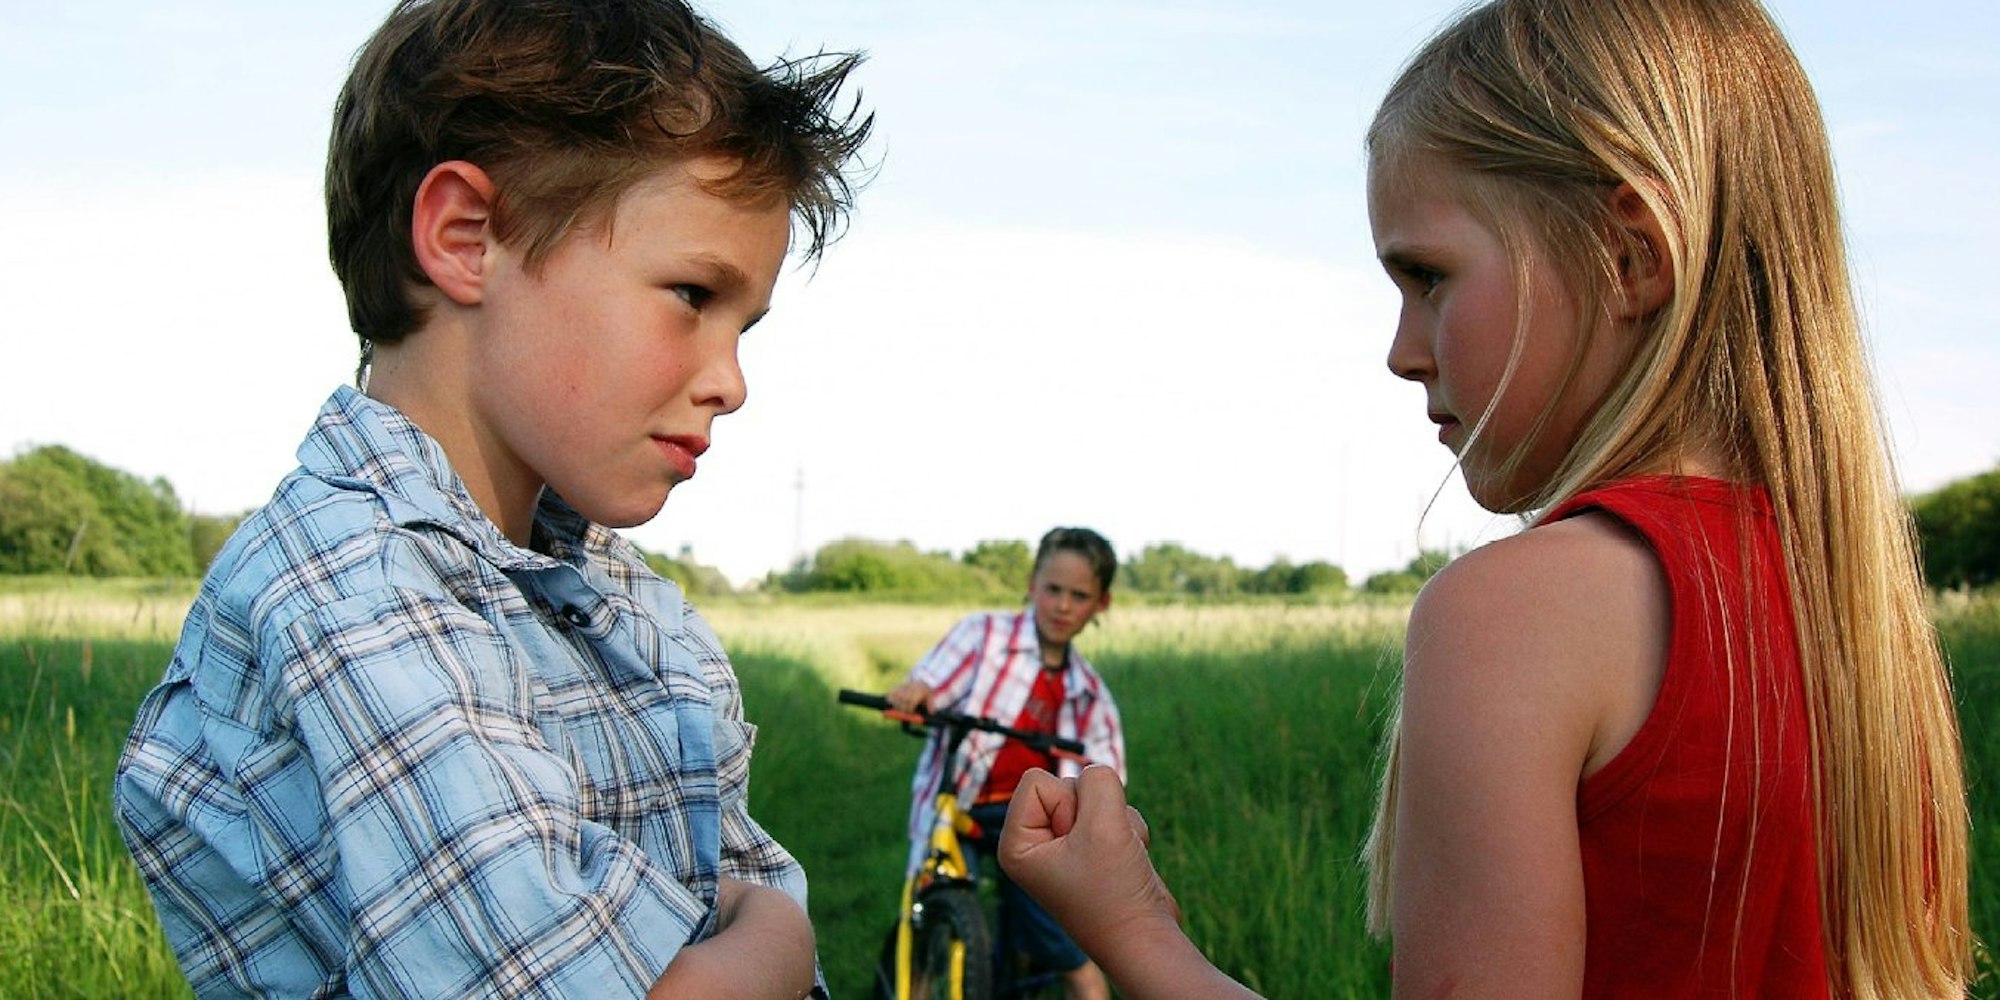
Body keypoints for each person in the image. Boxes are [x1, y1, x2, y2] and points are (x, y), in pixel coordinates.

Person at [997, 0, 1972, 997]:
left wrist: (1134, 929)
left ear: (1628, 257)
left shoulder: (1516, 612)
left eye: (1427, 277)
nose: (1400, 351)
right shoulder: (1857, 613)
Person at [111, 2, 871, 997]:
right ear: (466, 238)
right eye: (692, 295)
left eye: (744, 327)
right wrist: (778, 936)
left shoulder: (613, 595)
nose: (730, 382)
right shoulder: (357, 595)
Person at [886, 526, 1125, 1000]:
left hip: (1033, 823)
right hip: (962, 801)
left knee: (1071, 950)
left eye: (1079, 596)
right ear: (1032, 585)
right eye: (1053, 589)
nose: (1062, 605)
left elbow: (1105, 775)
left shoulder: (1090, 695)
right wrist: (919, 693)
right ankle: (916, 982)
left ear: (1101, 604)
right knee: (932, 906)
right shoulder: (984, 636)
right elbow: (935, 680)